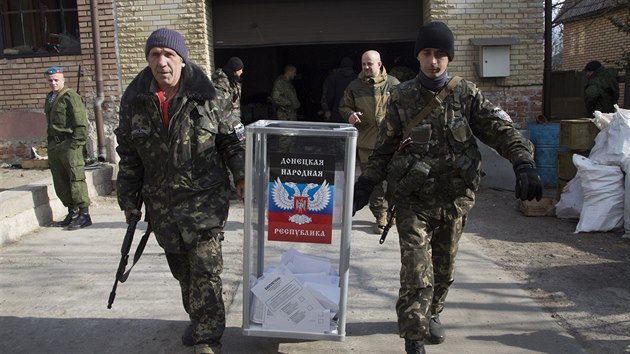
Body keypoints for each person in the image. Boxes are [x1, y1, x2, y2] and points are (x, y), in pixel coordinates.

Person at [352, 22, 543, 354]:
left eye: (440, 54)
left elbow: (499, 129)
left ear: (449, 58)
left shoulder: (465, 94)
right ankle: (413, 337)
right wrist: (365, 184)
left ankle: (433, 312)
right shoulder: (401, 96)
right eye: (427, 53)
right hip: (413, 200)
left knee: (444, 269)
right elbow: (384, 149)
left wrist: (523, 162)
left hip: (454, 200)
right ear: (418, 57)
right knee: (415, 270)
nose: (434, 61)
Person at [115, 28, 245, 354]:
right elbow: (129, 155)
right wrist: (129, 200)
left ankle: (207, 340)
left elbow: (231, 142)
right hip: (163, 206)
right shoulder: (134, 102)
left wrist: (242, 177)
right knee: (183, 271)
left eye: (169, 55)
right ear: (148, 59)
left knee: (206, 271)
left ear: (182, 60)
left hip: (205, 202)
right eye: (155, 54)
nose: (162, 62)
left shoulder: (211, 96)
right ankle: (199, 319)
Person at [339, 50, 400, 234]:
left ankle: (393, 212)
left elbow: (406, 109)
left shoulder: (394, 84)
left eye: (370, 64)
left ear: (379, 64)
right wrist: (350, 115)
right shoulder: (354, 86)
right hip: (367, 144)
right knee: (373, 183)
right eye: (364, 64)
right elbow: (343, 106)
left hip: (391, 144)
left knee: (394, 181)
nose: (366, 67)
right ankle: (380, 215)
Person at [43, 66, 92, 230]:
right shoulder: (50, 97)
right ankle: (72, 211)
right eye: (50, 80)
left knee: (76, 178)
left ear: (63, 80)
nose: (53, 83)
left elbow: (80, 123)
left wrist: (76, 145)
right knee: (60, 180)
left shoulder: (70, 96)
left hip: (69, 143)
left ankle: (84, 214)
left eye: (56, 80)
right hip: (55, 145)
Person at [320, 57, 357, 123]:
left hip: (337, 112)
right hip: (353, 114)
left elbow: (330, 96)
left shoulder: (334, 78)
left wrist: (328, 109)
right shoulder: (357, 79)